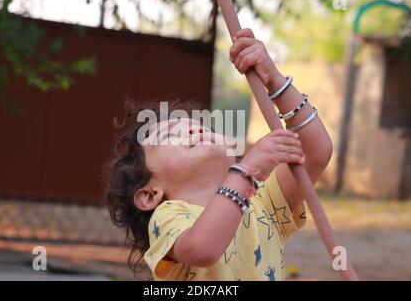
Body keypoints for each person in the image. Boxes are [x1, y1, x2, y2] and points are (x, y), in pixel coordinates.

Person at [106, 28, 333, 280]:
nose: (194, 128)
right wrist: (247, 171)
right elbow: (203, 249)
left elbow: (315, 152)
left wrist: (274, 80)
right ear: (150, 195)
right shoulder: (169, 215)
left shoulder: (262, 202)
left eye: (201, 127)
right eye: (170, 135)